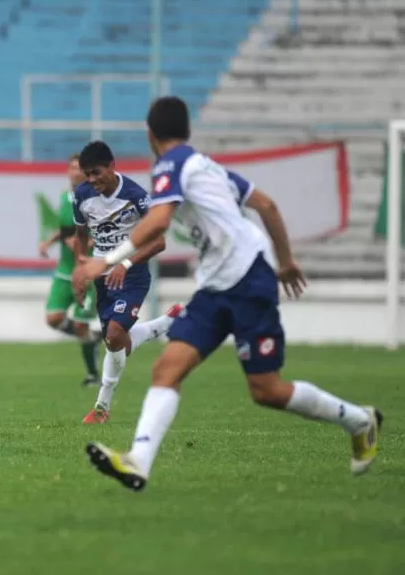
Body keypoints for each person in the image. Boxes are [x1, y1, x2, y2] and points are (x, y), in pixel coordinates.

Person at [80, 96, 382, 491]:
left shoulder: (172, 163)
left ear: (151, 135)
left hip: (247, 279)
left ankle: (360, 420)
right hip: (219, 284)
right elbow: (267, 205)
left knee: (267, 389)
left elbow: (159, 219)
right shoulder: (208, 167)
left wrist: (107, 261)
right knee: (166, 369)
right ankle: (138, 461)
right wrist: (286, 261)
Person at [71, 140, 182, 425]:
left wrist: (126, 262)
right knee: (115, 341)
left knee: (115, 333)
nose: (92, 180)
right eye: (88, 175)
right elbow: (81, 236)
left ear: (111, 166)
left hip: (132, 274)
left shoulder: (136, 196)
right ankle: (161, 326)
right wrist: (80, 268)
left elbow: (159, 241)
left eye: (97, 172)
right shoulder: (81, 196)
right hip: (101, 277)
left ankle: (101, 408)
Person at [39, 154, 100, 386]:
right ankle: (91, 340)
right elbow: (65, 229)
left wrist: (84, 243)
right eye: (71, 168)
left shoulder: (95, 198)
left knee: (81, 323)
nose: (74, 172)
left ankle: (93, 374)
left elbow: (102, 231)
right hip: (65, 270)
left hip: (87, 272)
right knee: (53, 318)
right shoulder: (65, 196)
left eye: (79, 169)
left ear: (86, 172)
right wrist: (50, 242)